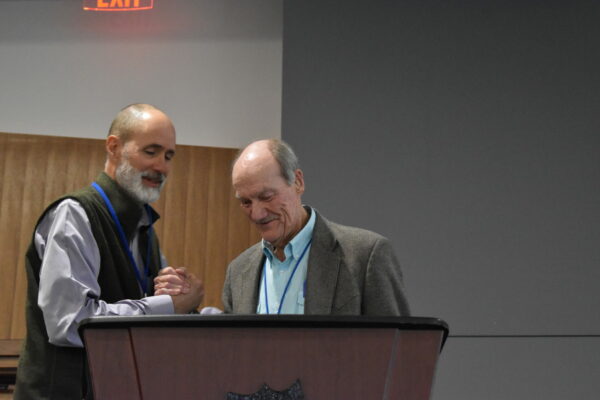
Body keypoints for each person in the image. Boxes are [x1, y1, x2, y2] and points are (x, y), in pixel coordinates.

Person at [14, 104, 204, 400]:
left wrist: (183, 296)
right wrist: (168, 306)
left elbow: (161, 304)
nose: (162, 167)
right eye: (151, 152)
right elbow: (72, 322)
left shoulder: (145, 229)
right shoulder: (74, 215)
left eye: (169, 156)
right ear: (114, 147)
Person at [221, 139, 410, 315]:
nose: (257, 214)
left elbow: (399, 346)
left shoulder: (365, 256)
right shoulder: (238, 273)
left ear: (298, 182)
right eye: (246, 202)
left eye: (267, 197)